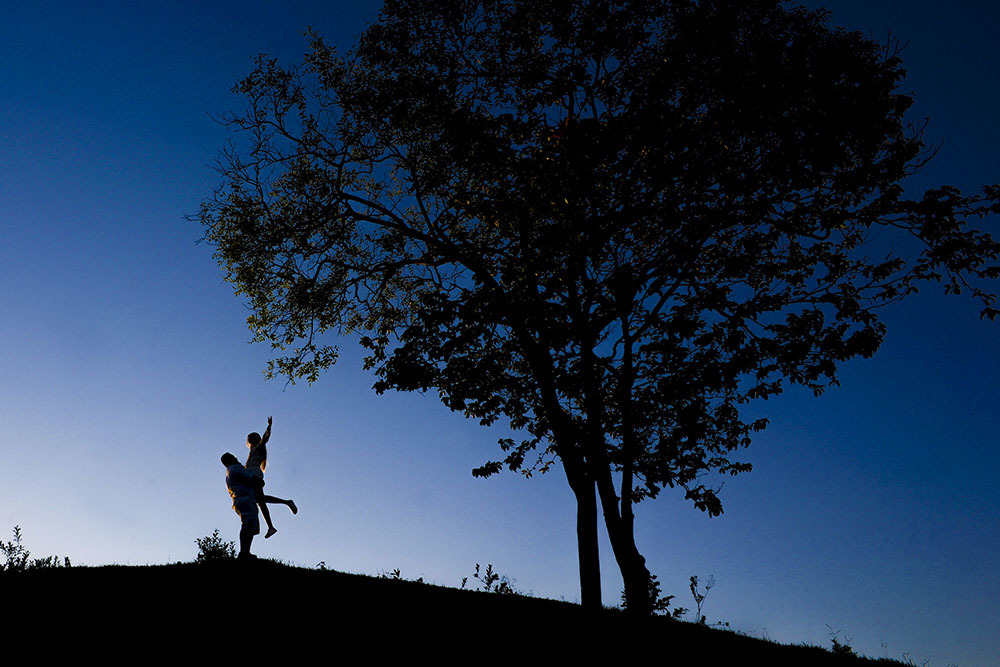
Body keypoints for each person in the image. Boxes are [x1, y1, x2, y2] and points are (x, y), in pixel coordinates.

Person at [245, 416, 298, 538]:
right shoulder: (252, 453)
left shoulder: (259, 448)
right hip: (252, 476)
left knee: (261, 501)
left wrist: (269, 426)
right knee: (260, 500)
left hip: (255, 476)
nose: (249, 442)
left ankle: (273, 523)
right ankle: (272, 524)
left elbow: (265, 439)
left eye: (250, 439)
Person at [221, 452, 260, 559]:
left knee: (248, 525)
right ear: (230, 460)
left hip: (238, 501)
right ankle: (244, 552)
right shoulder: (236, 468)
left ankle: (246, 551)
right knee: (248, 525)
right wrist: (259, 480)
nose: (236, 458)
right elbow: (251, 477)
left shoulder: (229, 473)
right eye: (233, 457)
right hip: (245, 499)